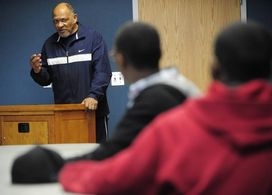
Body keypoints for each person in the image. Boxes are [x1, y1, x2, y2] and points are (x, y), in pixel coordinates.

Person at [59, 21, 272, 194]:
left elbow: (118, 175)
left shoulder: (171, 128)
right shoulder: (180, 96)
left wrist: (60, 168)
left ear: (214, 68)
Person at [66, 21, 200, 161]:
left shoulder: (153, 99)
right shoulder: (180, 85)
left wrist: (55, 163)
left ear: (121, 59)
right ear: (159, 53)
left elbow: (112, 152)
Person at [30, 2, 112, 142]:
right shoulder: (49, 45)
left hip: (93, 113)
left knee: (97, 158)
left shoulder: (93, 38)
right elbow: (46, 79)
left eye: (63, 20)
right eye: (56, 21)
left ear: (74, 17)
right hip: (65, 115)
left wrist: (94, 96)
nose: (59, 25)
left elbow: (103, 72)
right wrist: (37, 71)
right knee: (69, 158)